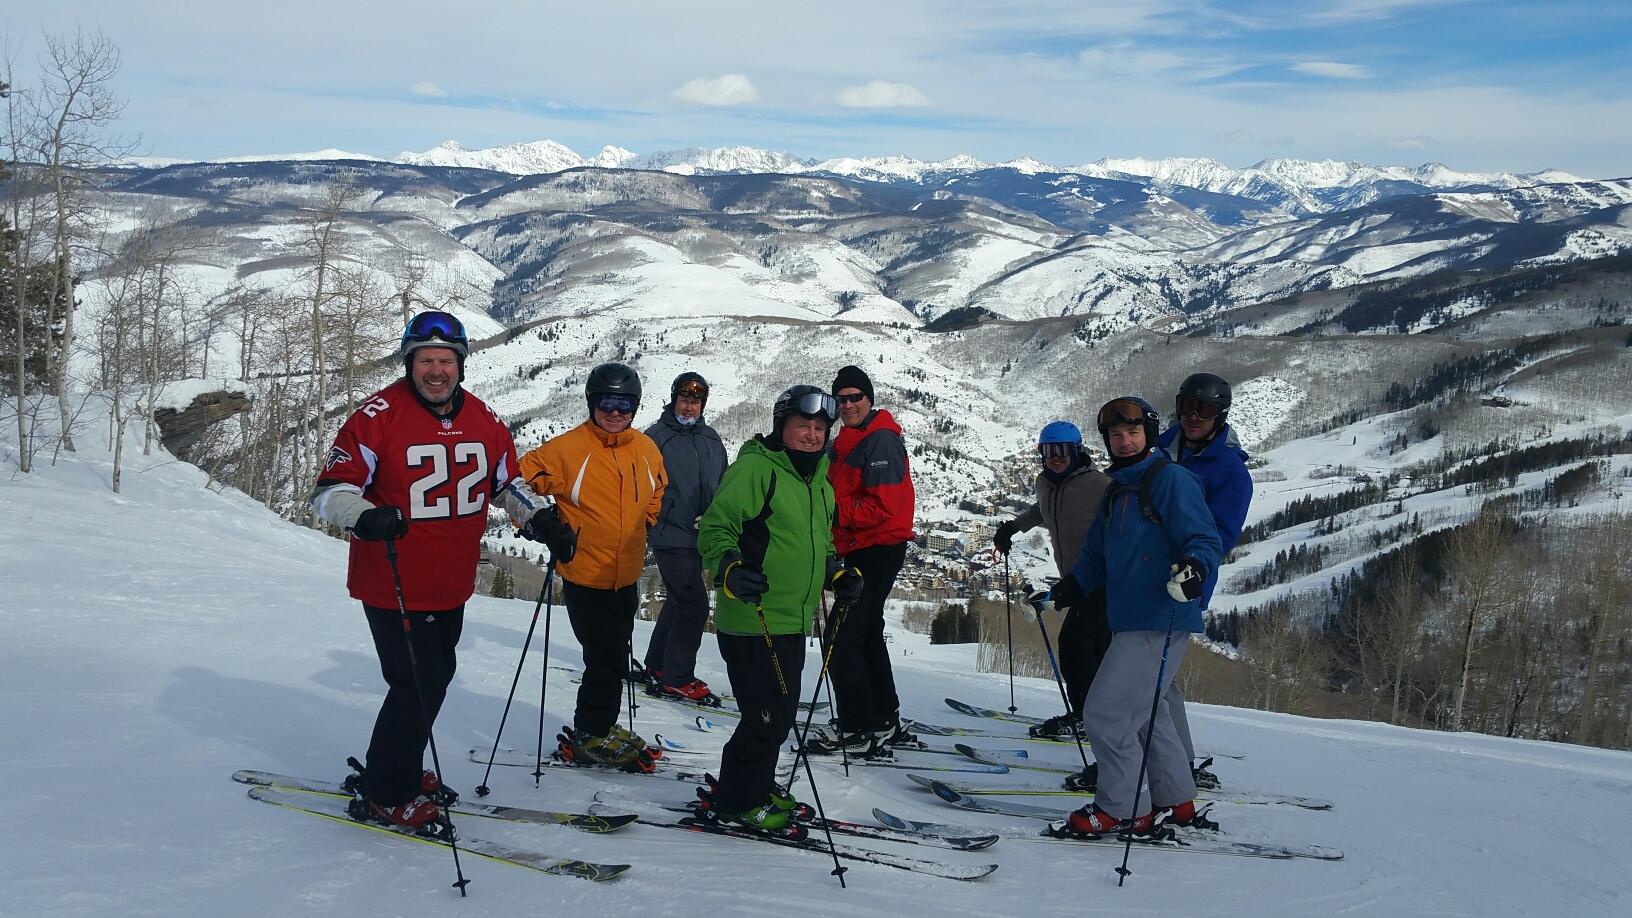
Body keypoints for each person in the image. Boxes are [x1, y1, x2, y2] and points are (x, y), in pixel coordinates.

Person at [311, 311, 576, 830]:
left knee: (434, 678)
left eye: (446, 361)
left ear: (461, 364)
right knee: (417, 683)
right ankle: (386, 791)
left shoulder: (485, 418)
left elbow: (505, 483)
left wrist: (539, 516)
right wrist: (366, 516)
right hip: (392, 580)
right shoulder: (376, 417)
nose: (436, 371)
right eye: (426, 360)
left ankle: (400, 767)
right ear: (410, 362)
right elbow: (329, 492)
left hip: (450, 581)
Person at [1049, 396, 1222, 837]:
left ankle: (1123, 807)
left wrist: (1195, 567)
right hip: (1130, 617)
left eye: (1133, 433)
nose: (1124, 442)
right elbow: (1096, 555)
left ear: (1148, 434)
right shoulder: (1118, 490)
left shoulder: (1169, 480)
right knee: (1146, 712)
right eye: (1115, 436)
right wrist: (1072, 586)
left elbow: (1203, 536)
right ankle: (1175, 799)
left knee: (1106, 714)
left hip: (1158, 616)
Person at [693, 386, 862, 833]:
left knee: (780, 713)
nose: (811, 435)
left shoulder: (818, 480)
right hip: (752, 617)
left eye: (819, 428)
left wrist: (837, 573)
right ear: (781, 428)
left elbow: (820, 544)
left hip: (793, 618)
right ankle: (736, 800)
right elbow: (715, 528)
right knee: (766, 717)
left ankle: (756, 785)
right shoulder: (756, 469)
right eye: (802, 427)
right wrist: (729, 570)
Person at [519, 362, 667, 771]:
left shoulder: (645, 448)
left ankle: (600, 724)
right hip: (584, 572)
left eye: (624, 404)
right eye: (606, 402)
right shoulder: (569, 449)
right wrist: (540, 521)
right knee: (605, 659)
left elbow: (658, 489)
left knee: (615, 656)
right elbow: (515, 481)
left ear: (634, 406)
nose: (614, 412)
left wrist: (646, 522)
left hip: (626, 574)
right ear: (591, 402)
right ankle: (590, 734)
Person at [807, 364, 917, 758]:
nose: (848, 404)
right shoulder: (848, 438)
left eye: (855, 397)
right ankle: (883, 716)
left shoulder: (880, 440)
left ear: (869, 399)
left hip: (879, 547)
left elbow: (884, 506)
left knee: (841, 634)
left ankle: (857, 727)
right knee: (865, 632)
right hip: (863, 547)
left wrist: (832, 512)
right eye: (842, 398)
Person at [1158, 373, 1253, 789]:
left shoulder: (1229, 472)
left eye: (1205, 410)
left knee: (1154, 681)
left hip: (1180, 585)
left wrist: (1188, 570)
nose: (1193, 417)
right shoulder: (1161, 447)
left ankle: (1176, 767)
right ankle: (1171, 761)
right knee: (1156, 680)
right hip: (1135, 577)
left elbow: (1219, 535)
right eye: (1186, 406)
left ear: (1220, 415)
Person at [992, 421, 1112, 738]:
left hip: (1104, 582)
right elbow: (1041, 511)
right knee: (1084, 650)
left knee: (1080, 647)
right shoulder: (1046, 483)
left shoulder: (1099, 485)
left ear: (1077, 451)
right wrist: (1012, 528)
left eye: (1062, 451)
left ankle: (1090, 716)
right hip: (1075, 583)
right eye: (1048, 451)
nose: (1055, 458)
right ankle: (1092, 715)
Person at [638, 372, 728, 703]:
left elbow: (723, 481)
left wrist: (717, 514)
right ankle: (677, 676)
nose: (689, 408)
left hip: (700, 534)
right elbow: (641, 487)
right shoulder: (655, 438)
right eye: (685, 400)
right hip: (668, 532)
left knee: (680, 599)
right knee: (694, 603)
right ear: (674, 399)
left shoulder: (711, 439)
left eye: (696, 402)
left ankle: (658, 664)